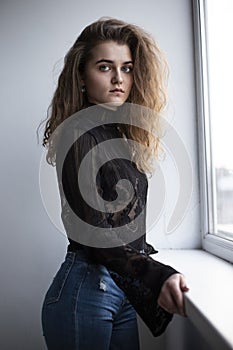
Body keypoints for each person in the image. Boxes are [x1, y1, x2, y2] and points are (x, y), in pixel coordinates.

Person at [40, 17, 189, 350]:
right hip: (86, 293)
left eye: (127, 68)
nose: (119, 79)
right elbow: (93, 234)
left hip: (119, 292)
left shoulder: (115, 136)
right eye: (105, 67)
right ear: (81, 75)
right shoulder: (78, 133)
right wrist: (157, 274)